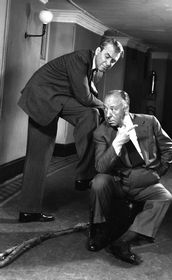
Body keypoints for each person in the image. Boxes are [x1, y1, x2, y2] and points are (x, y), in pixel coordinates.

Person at [18, 38, 124, 223]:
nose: (108, 63)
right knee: (38, 157)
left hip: (58, 99)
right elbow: (84, 97)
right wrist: (108, 108)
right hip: (41, 99)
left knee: (90, 114)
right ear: (98, 50)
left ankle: (84, 174)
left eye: (113, 61)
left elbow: (90, 96)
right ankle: (29, 210)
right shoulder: (81, 59)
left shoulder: (95, 69)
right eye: (107, 56)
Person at [87, 90, 172, 265]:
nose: (108, 114)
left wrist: (159, 171)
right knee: (98, 182)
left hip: (145, 180)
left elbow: (169, 148)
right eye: (105, 109)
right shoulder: (101, 132)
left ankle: (123, 241)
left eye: (113, 109)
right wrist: (118, 141)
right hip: (118, 181)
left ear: (125, 108)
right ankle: (100, 231)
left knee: (165, 198)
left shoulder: (149, 122)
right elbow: (100, 167)